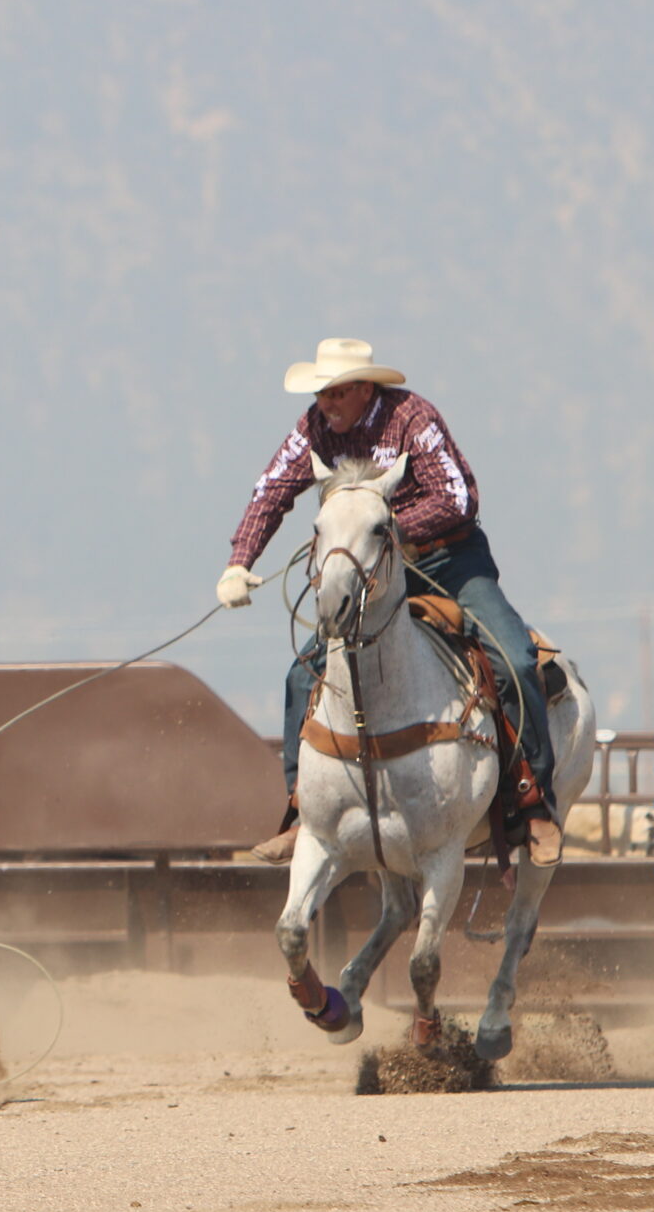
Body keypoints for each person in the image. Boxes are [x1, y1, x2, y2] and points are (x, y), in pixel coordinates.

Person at [218, 338, 557, 868]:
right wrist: (240, 561)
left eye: (334, 393)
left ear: (363, 389)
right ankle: (302, 809)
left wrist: (385, 529)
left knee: (512, 658)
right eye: (320, 393)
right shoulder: (313, 429)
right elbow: (272, 490)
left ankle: (532, 800)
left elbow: (458, 497)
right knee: (303, 674)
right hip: (371, 573)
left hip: (449, 563)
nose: (324, 404)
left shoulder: (413, 417)